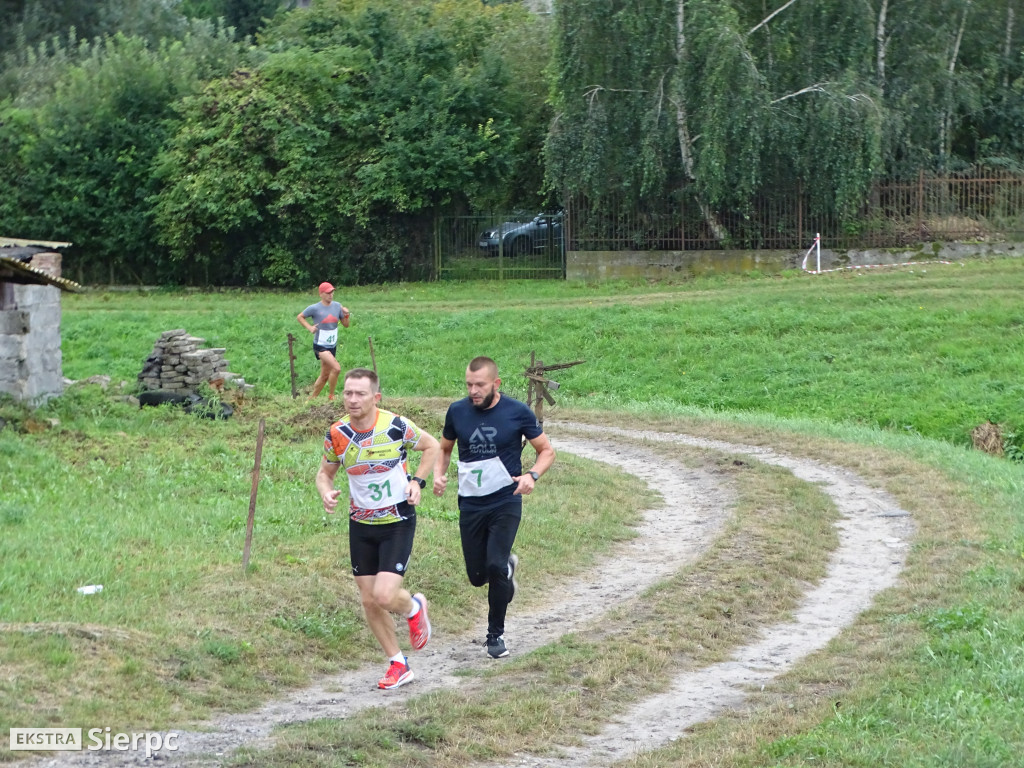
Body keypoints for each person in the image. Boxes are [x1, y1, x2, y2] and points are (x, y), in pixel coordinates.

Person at [316, 368, 440, 689]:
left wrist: (418, 482)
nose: (353, 399)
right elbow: (324, 473)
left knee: (384, 595)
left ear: (376, 397)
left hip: (397, 520)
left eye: (360, 394)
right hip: (360, 524)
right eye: (348, 393)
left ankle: (414, 606)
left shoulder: (396, 426)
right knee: (369, 600)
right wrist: (326, 491)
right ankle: (398, 663)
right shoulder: (337, 433)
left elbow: (432, 447)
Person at [433, 356, 555, 659]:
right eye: (469, 385)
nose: (473, 391)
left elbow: (547, 451)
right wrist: (439, 473)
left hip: (506, 499)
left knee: (494, 565)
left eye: (480, 385)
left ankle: (495, 635)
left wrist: (532, 475)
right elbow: (445, 448)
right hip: (471, 502)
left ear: (495, 384)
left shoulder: (517, 412)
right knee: (477, 576)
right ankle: (506, 569)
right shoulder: (457, 411)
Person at [297, 282, 350, 401]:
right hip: (320, 345)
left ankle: (311, 400)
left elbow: (346, 325)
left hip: (332, 345)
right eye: (328, 293)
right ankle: (331, 396)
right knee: (336, 368)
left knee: (325, 375)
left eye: (332, 292)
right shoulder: (314, 308)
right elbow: (300, 317)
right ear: (321, 294)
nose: (331, 295)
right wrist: (310, 328)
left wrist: (346, 315)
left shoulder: (337, 306)